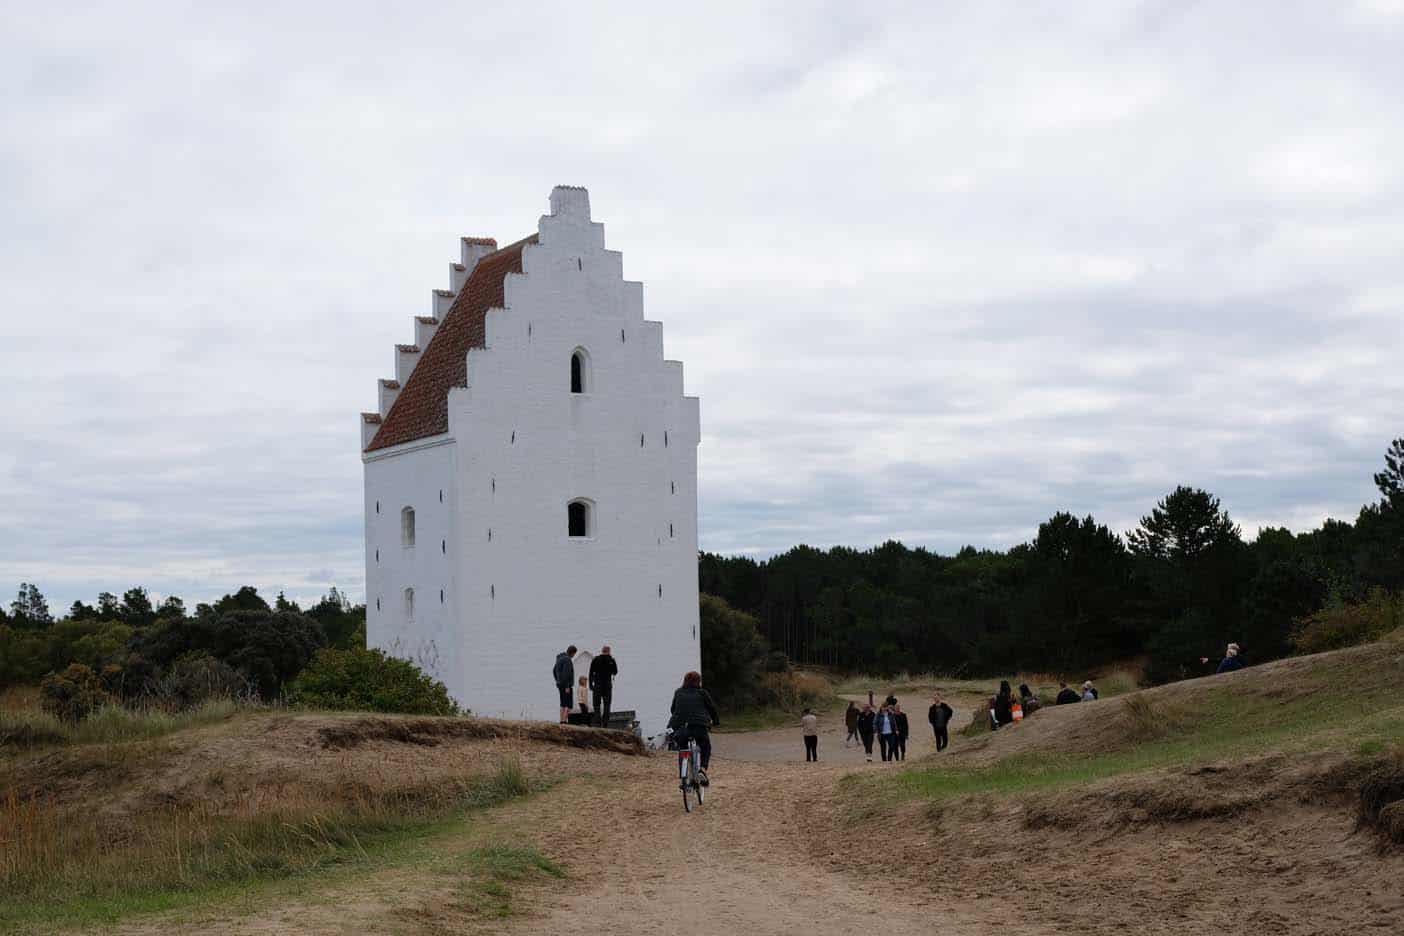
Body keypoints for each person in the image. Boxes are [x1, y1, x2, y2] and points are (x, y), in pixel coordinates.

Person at [669, 671, 719, 784]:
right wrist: (715, 722)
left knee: (683, 747)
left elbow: (673, 709)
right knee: (706, 746)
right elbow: (712, 708)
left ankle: (683, 774)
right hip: (699, 726)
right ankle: (702, 770)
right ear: (698, 681)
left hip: (681, 727)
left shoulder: (678, 692)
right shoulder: (702, 693)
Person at [588, 644, 618, 727]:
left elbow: (590, 673)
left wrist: (590, 684)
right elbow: (615, 672)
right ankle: (605, 723)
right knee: (607, 704)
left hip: (597, 685)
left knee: (596, 704)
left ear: (602, 651)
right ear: (609, 652)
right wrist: (612, 661)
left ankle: (598, 722)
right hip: (607, 685)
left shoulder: (595, 659)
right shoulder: (611, 660)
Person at [553, 645, 577, 723]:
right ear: (572, 653)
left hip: (560, 684)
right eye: (574, 654)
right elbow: (567, 674)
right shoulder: (568, 660)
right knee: (569, 704)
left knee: (563, 703)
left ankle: (561, 720)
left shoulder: (559, 658)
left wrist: (557, 681)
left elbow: (554, 670)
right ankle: (564, 721)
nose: (574, 656)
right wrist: (567, 686)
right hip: (567, 685)